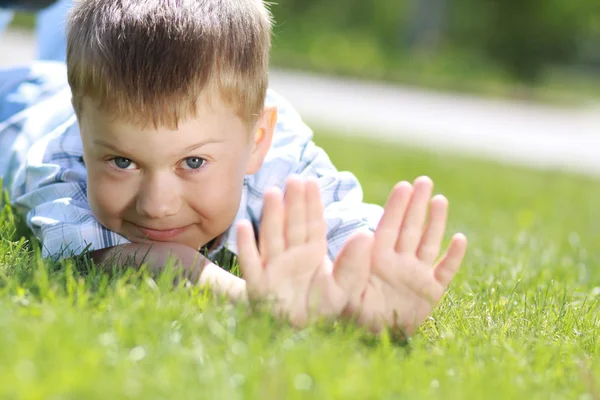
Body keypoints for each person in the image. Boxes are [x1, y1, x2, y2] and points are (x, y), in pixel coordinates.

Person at [0, 0, 467, 335]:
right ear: (84, 135)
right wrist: (244, 296)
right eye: (122, 161)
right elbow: (103, 258)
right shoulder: (63, 158)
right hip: (16, 101)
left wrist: (361, 291)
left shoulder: (282, 154)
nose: (157, 205)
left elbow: (342, 224)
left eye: (193, 161)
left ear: (257, 140)